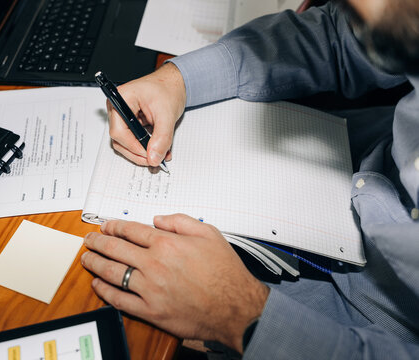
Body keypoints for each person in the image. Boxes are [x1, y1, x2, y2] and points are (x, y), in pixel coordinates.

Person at [80, 0, 419, 358]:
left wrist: (242, 316)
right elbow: (338, 40)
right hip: (351, 159)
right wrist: (176, 80)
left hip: (344, 327)